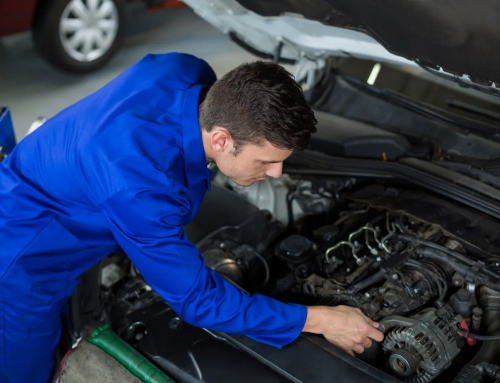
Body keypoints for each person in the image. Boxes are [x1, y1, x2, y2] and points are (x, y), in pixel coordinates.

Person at [0, 53, 383, 382]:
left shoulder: (187, 71)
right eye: (266, 161)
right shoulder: (141, 187)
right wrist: (319, 319)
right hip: (24, 257)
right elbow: (198, 301)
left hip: (58, 179)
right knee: (28, 370)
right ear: (220, 140)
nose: (277, 174)